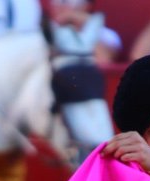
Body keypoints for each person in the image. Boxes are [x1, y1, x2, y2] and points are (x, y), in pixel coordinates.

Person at [45, 0, 120, 158]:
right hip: (57, 111)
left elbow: (104, 59)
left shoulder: (104, 33)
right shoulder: (43, 32)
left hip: (92, 106)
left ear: (85, 6)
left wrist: (82, 21)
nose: (62, 7)